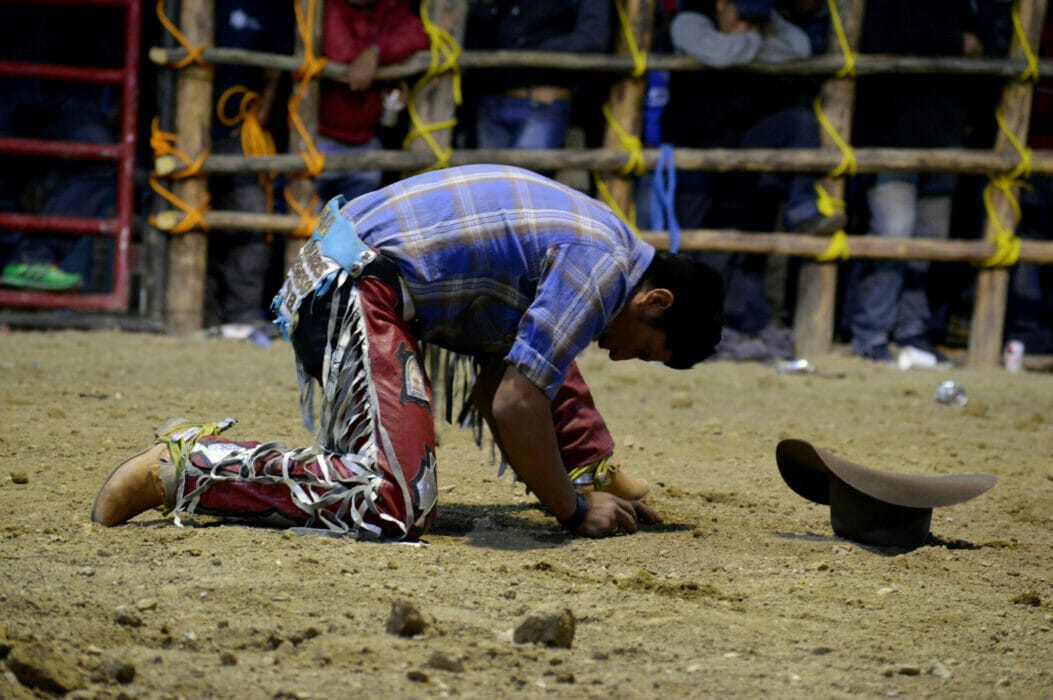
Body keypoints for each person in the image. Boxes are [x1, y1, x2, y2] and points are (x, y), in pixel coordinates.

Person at [91, 164, 725, 541]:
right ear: (657, 301)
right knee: (395, 503)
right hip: (354, 287)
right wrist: (572, 509)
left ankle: (594, 468)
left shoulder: (606, 242)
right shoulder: (601, 262)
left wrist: (590, 480)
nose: (623, 358)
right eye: (646, 351)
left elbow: (520, 370)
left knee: (542, 354)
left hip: (352, 272)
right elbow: (511, 402)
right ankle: (190, 467)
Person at [662, 0, 838, 361]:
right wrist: (755, 45)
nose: (749, 27)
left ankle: (734, 323)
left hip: (743, 146)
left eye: (758, 21)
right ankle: (679, 328)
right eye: (743, 17)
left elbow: (799, 47)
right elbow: (721, 54)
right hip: (693, 148)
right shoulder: (690, 19)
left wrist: (744, 39)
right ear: (722, 5)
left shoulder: (761, 25)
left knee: (738, 239)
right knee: (689, 242)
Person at [843, 0, 982, 365]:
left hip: (944, 131)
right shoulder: (878, 6)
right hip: (891, 132)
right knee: (893, 233)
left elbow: (979, 44)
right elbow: (879, 40)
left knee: (927, 241)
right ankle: (871, 333)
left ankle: (911, 330)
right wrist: (954, 42)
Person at [206, 0, 294, 338]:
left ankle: (241, 315)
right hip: (188, 131)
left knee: (251, 215)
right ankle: (206, 311)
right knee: (199, 219)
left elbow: (276, 70)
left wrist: (258, 118)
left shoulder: (274, 10)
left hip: (243, 134)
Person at [315, 0, 429, 203]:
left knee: (357, 226)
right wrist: (379, 58)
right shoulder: (330, 6)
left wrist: (377, 51)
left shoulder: (390, 8)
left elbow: (417, 35)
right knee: (310, 224)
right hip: (320, 140)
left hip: (367, 142)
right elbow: (341, 52)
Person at [465, 0, 610, 154]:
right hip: (491, 101)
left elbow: (592, 39)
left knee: (526, 175)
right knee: (489, 176)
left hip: (541, 102)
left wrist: (528, 49)